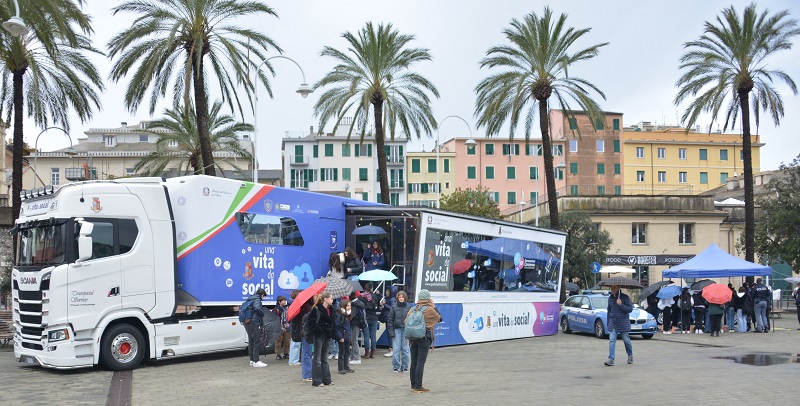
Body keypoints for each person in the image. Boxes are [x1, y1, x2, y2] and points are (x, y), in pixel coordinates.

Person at [406, 289, 441, 393]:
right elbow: (439, 318)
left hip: (412, 338)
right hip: (424, 338)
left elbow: (406, 321)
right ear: (428, 298)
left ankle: (413, 385)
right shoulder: (429, 310)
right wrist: (433, 306)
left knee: (414, 362)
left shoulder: (413, 309)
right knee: (421, 362)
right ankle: (418, 386)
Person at [307, 292, 337, 387]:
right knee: (317, 357)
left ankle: (327, 379)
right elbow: (311, 323)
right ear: (325, 299)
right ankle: (317, 380)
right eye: (331, 298)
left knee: (324, 357)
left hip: (327, 335)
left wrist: (333, 333)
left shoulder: (331, 310)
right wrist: (319, 331)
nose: (332, 300)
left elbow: (333, 323)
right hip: (319, 335)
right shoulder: (316, 309)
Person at [604, 285, 633, 366]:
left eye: (614, 287)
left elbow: (630, 309)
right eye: (611, 287)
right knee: (612, 339)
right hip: (613, 322)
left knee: (626, 340)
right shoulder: (610, 298)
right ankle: (611, 359)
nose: (612, 289)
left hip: (622, 321)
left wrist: (621, 304)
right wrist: (608, 322)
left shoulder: (625, 297)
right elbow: (609, 311)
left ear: (618, 288)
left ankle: (630, 354)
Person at [387, 290, 412, 372]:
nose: (401, 298)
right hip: (396, 329)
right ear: (397, 298)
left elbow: (412, 320)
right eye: (399, 297)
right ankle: (396, 366)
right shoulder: (393, 307)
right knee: (396, 349)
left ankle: (405, 366)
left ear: (405, 298)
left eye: (402, 297)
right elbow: (390, 320)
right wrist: (391, 332)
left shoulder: (409, 307)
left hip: (406, 329)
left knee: (406, 349)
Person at [244, 288, 268, 367]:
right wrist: (262, 314)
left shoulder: (250, 298)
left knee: (251, 341)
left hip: (247, 321)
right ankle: (256, 361)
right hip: (254, 322)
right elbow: (257, 308)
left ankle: (251, 360)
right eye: (264, 296)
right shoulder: (257, 299)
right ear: (262, 295)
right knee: (256, 341)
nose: (263, 298)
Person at [362, 283, 382, 358]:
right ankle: (372, 353)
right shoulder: (375, 296)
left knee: (366, 335)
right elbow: (379, 304)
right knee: (373, 335)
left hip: (366, 318)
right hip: (374, 318)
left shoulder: (362, 296)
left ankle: (367, 353)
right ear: (371, 288)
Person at [335, 299, 355, 374]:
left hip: (346, 336)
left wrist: (349, 336)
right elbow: (336, 327)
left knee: (347, 352)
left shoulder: (348, 315)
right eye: (348, 306)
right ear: (344, 306)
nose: (349, 307)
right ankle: (341, 368)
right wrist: (340, 337)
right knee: (342, 353)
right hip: (342, 337)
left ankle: (346, 367)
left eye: (350, 305)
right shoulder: (340, 315)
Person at [349, 291, 366, 365]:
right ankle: (353, 357)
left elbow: (353, 315)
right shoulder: (360, 303)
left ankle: (356, 358)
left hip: (355, 324)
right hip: (359, 324)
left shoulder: (353, 305)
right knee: (354, 340)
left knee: (354, 340)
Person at [381, 285, 398, 358]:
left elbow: (392, 308)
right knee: (389, 334)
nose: (386, 292)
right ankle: (391, 348)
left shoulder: (392, 299)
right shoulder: (389, 299)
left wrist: (385, 305)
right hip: (388, 318)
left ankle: (392, 349)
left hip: (390, 319)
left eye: (388, 291)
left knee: (390, 334)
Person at [272, 295, 291, 360]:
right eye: (283, 300)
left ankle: (286, 353)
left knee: (287, 341)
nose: (285, 301)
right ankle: (278, 354)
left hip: (287, 327)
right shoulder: (276, 309)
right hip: (279, 327)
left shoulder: (286, 307)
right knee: (278, 341)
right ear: (279, 302)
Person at [287, 290, 302, 365]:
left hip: (294, 325)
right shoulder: (295, 304)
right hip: (295, 326)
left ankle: (293, 360)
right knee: (295, 343)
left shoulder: (291, 303)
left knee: (295, 343)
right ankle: (293, 361)